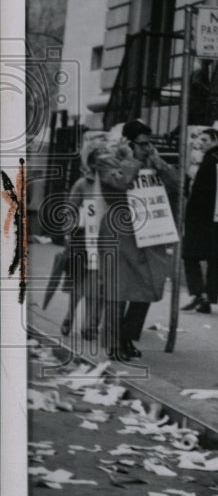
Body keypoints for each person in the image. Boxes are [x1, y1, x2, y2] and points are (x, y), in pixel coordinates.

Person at [99, 120, 180, 362]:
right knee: (119, 289)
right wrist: (131, 159)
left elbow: (177, 187)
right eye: (142, 144)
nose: (147, 148)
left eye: (149, 144)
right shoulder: (107, 160)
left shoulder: (153, 162)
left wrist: (160, 165)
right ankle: (114, 342)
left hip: (149, 230)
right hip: (120, 230)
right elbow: (119, 183)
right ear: (127, 142)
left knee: (149, 286)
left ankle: (126, 335)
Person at [181, 129, 218, 314]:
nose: (201, 143)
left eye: (205, 139)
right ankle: (209, 297)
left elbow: (197, 194)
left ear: (215, 141)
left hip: (203, 219)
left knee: (189, 255)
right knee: (215, 260)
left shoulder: (208, 162)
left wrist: (188, 190)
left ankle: (199, 294)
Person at [61, 145, 110, 340]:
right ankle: (70, 315)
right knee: (78, 282)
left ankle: (91, 325)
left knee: (98, 284)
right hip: (83, 239)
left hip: (105, 240)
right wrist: (69, 234)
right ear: (91, 164)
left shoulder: (113, 185)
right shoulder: (82, 184)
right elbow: (70, 210)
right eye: (99, 162)